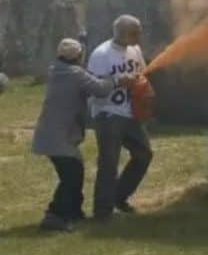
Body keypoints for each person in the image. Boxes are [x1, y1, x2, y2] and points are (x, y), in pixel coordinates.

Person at [31, 39, 135, 232]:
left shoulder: (56, 70)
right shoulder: (75, 74)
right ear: (78, 56)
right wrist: (117, 80)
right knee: (71, 176)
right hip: (59, 135)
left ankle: (74, 212)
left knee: (75, 172)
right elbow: (101, 89)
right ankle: (55, 216)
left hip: (51, 133)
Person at [88, 15, 153, 221]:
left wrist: (142, 87)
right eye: (135, 32)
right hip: (108, 113)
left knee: (144, 154)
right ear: (121, 33)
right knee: (109, 162)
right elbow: (94, 87)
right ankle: (102, 211)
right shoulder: (101, 54)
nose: (139, 36)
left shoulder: (135, 50)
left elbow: (141, 73)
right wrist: (117, 81)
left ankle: (118, 196)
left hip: (130, 112)